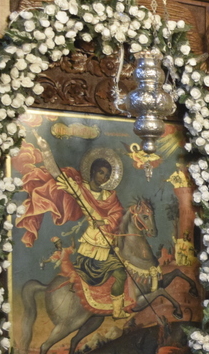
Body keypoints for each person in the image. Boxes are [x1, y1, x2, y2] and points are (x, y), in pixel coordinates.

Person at [14, 135, 129, 318]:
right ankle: (115, 310)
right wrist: (46, 150)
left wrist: (105, 221)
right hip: (92, 245)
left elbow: (118, 214)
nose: (104, 178)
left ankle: (116, 309)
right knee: (119, 273)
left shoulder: (110, 196)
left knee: (123, 272)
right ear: (92, 172)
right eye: (101, 172)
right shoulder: (80, 189)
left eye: (107, 175)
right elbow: (56, 174)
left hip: (108, 241)